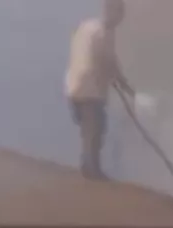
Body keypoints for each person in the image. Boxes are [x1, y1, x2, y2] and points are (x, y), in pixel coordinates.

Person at [64, 0, 135, 179]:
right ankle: (91, 169)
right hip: (90, 89)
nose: (120, 19)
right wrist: (124, 85)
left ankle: (88, 165)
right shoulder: (103, 33)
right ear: (113, 12)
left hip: (74, 86)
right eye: (119, 14)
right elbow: (109, 62)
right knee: (94, 128)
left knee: (91, 128)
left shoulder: (85, 27)